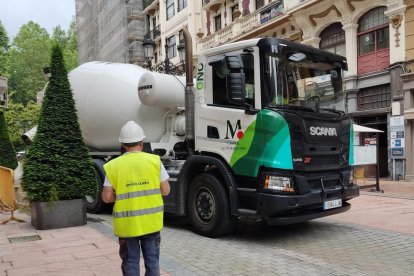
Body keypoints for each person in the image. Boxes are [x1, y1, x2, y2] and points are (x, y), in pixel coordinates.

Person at [102, 121, 170, 276]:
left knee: (131, 262)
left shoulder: (113, 166)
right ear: (142, 141)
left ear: (123, 144)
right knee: (152, 261)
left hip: (127, 225)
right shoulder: (155, 161)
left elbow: (106, 197)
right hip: (151, 223)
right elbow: (165, 190)